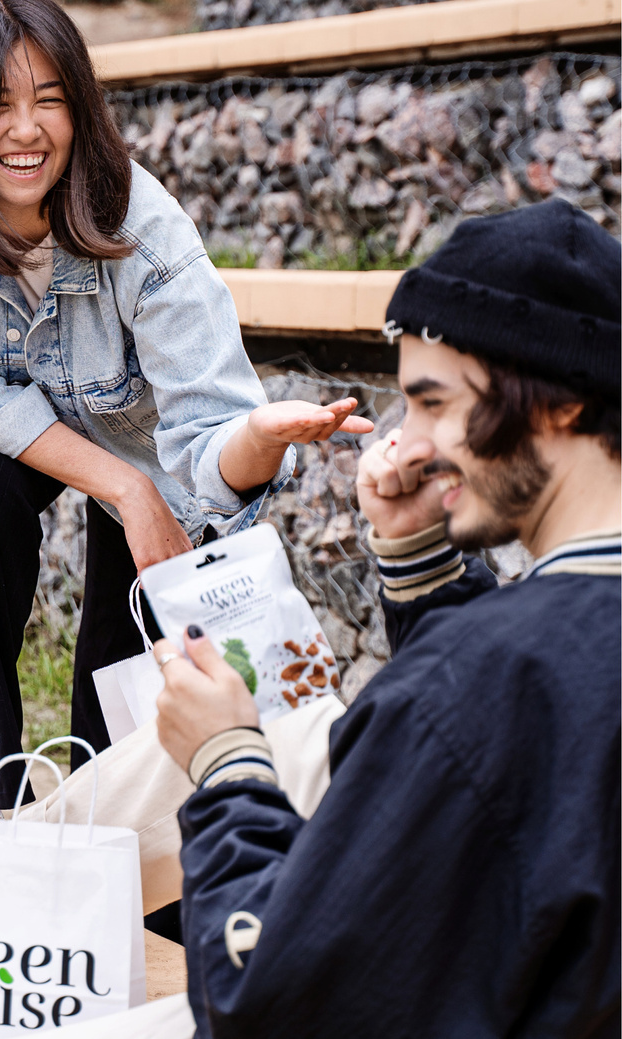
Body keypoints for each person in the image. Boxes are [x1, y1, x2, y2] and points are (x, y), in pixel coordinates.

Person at [0, 0, 371, 1001]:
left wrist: (256, 440)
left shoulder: (142, 225)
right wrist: (120, 486)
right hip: (13, 431)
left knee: (123, 629)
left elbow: (211, 437)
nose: (27, 129)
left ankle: (105, 849)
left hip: (156, 442)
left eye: (51, 97)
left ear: (81, 105)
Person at [147, 197, 620, 1037]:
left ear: (559, 404)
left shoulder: (469, 687)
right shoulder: (511, 667)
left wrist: (227, 767)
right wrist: (422, 563)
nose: (406, 443)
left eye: (434, 403)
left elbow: (267, 999)